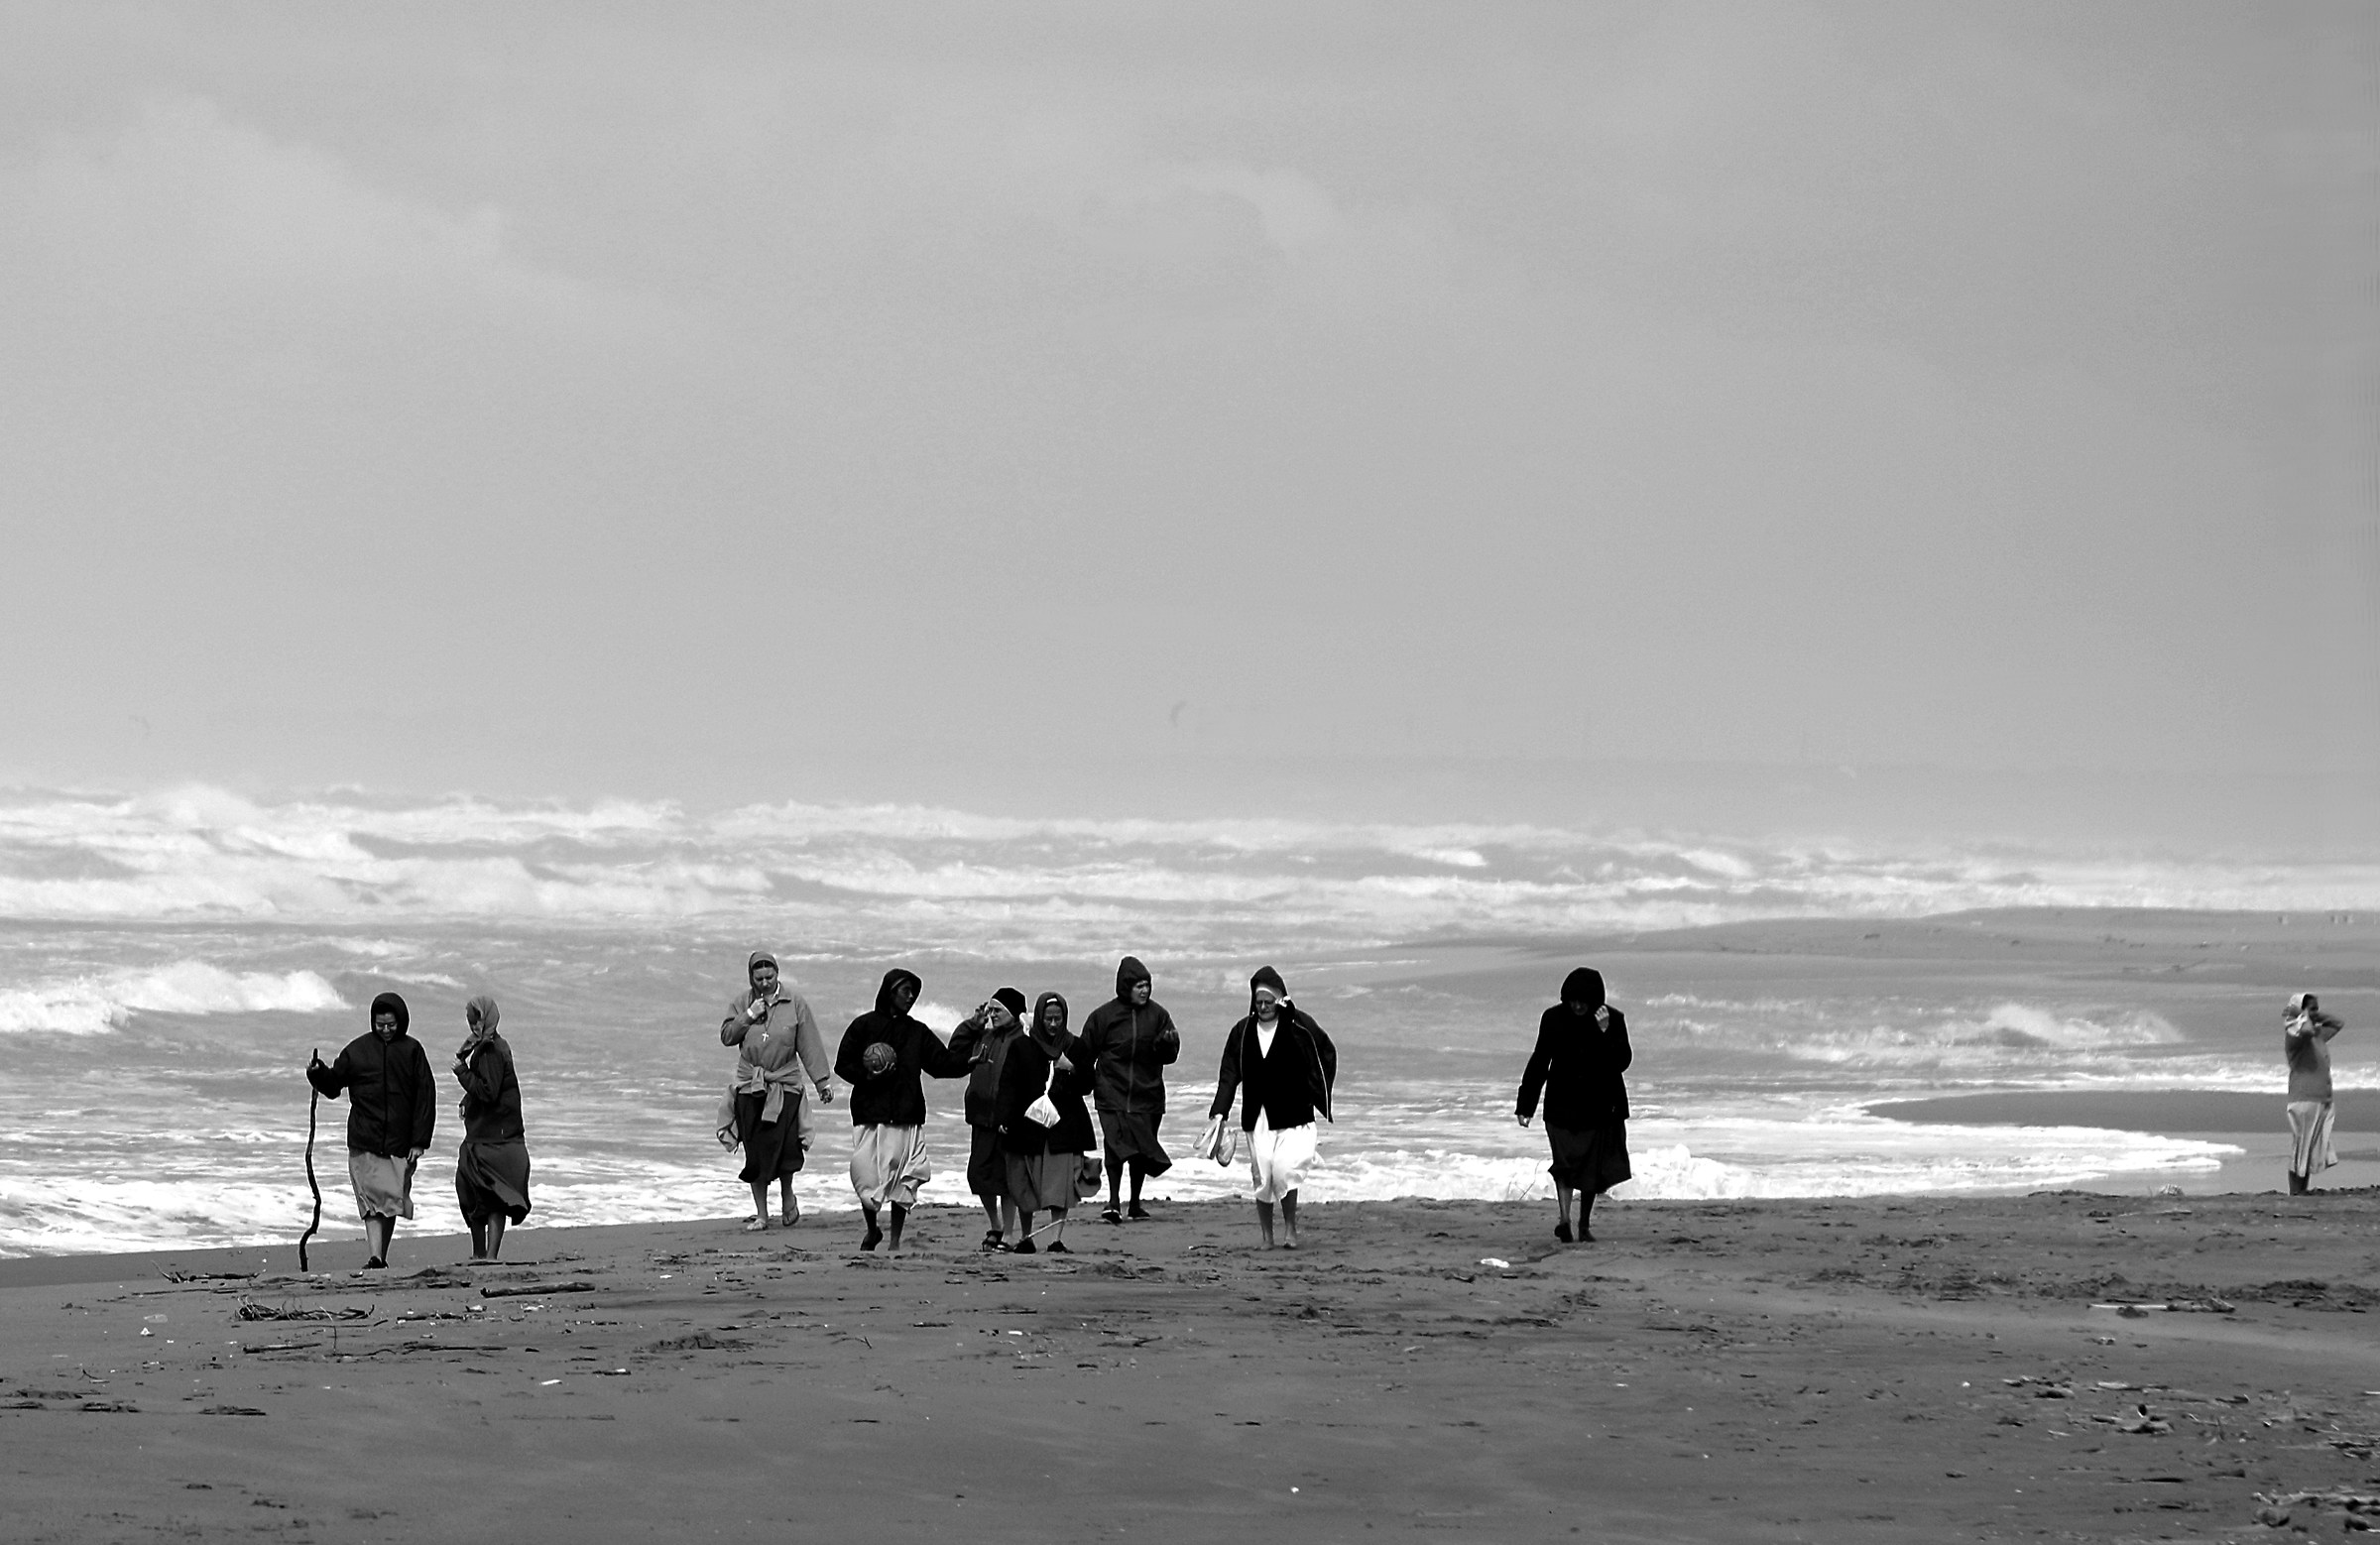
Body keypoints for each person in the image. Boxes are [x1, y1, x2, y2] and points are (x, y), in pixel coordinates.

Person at [832, 969, 968, 1252]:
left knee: (902, 1182)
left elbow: (941, 1064)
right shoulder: (863, 1026)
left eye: (914, 993)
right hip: (870, 1114)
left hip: (907, 1113)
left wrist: (970, 1060)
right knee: (866, 1178)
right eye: (905, 991)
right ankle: (872, 1230)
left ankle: (894, 1241)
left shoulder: (917, 1031)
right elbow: (842, 1064)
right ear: (889, 992)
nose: (911, 997)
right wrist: (867, 1076)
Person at [1208, 967, 1337, 1249]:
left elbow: (1324, 1052)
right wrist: (1219, 1112)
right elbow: (1229, 1073)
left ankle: (1290, 1229)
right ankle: (1268, 1236)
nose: (1263, 1007)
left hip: (1294, 1114)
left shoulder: (1298, 1026)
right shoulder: (1242, 1031)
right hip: (1258, 1117)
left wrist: (1319, 1095)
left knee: (1284, 1171)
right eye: (1258, 1002)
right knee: (1263, 1177)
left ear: (1279, 1000)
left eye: (1268, 1002)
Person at [305, 992, 435, 1270]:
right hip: (364, 1138)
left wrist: (419, 1142)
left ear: (402, 1021)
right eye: (380, 1025)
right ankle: (375, 1257)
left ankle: (380, 1257)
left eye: (391, 1025)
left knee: (389, 1202)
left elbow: (425, 1098)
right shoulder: (357, 1051)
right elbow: (333, 1085)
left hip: (400, 1142)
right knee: (372, 1201)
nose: (386, 1030)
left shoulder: (413, 1051)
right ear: (372, 1022)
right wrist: (317, 1073)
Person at [1515, 967, 1633, 1244]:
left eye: (1583, 1001)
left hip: (1598, 1106)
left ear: (1595, 1000)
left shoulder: (1612, 1019)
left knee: (1592, 1168)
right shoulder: (1553, 1018)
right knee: (1564, 1164)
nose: (1577, 1006)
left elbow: (1621, 1062)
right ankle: (1565, 1220)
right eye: (1573, 1000)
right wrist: (1525, 1105)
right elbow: (1539, 1060)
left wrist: (1605, 1032)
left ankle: (1584, 1224)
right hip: (1561, 1104)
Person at [721, 950, 833, 1232]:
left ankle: (787, 1196)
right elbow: (727, 1037)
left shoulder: (795, 1003)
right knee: (755, 1152)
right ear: (751, 978)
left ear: (777, 974)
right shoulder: (741, 1002)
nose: (765, 983)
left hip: (785, 1084)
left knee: (787, 1148)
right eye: (758, 979)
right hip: (751, 1085)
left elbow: (809, 1044)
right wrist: (749, 1015)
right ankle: (761, 1214)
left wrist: (822, 1082)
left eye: (769, 977)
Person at [1076, 956, 1180, 1224]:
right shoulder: (1103, 1017)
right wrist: (1082, 1083)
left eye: (1147, 985)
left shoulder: (1159, 1016)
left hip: (1148, 1094)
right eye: (1138, 986)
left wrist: (1167, 1045)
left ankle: (1134, 1203)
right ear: (1125, 987)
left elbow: (1170, 1055)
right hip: (1112, 1092)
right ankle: (1113, 1202)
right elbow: (1085, 1053)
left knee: (1142, 1151)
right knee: (1115, 1148)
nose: (1144, 991)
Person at [996, 992, 1097, 1254]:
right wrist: (1004, 1118)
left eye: (1058, 1019)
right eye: (1048, 1019)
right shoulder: (1022, 1046)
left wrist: (1070, 1067)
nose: (1053, 1024)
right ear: (1039, 1017)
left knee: (1060, 1186)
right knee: (1026, 1184)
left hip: (1064, 1128)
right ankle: (1026, 1237)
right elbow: (1008, 1085)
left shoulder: (1076, 1047)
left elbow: (1088, 1084)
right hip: (1027, 1125)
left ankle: (1055, 1240)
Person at [451, 995, 532, 1262]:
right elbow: (489, 1086)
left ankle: (486, 1255)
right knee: (483, 1193)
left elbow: (488, 1091)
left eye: (478, 1022)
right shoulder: (491, 1046)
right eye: (471, 1023)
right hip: (495, 1134)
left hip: (493, 1138)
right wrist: (467, 1100)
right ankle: (484, 1255)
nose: (475, 1028)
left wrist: (462, 1073)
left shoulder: (491, 1051)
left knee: (484, 1194)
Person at [949, 987, 1029, 1251]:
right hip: (981, 1116)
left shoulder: (1024, 1039)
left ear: (1013, 1013)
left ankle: (1008, 1233)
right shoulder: (983, 1035)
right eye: (990, 1010)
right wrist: (972, 1024)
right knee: (979, 1176)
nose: (992, 1015)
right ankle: (995, 1224)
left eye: (998, 1010)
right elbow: (955, 1052)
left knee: (1006, 1180)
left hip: (1009, 1119)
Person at [2284, 992, 2346, 1195]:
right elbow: (2307, 1030)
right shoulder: (2294, 1034)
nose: (2315, 1013)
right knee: (2301, 1150)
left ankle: (2302, 1192)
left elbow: (2338, 1023)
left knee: (2309, 1152)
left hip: (2321, 1098)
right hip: (2304, 1099)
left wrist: (2315, 1014)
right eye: (2312, 1008)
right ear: (2300, 1011)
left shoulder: (2317, 1035)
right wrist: (2302, 1016)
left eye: (2316, 1008)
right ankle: (2295, 1193)